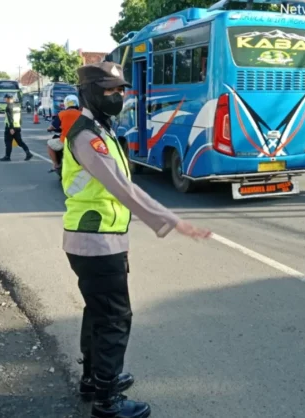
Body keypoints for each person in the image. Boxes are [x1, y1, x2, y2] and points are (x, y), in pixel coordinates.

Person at [63, 61, 211, 418]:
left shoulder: (102, 128)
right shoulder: (87, 136)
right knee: (115, 318)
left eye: (120, 90)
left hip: (96, 239)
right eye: (109, 90)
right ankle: (107, 401)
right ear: (89, 93)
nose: (117, 96)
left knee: (98, 312)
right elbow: (123, 188)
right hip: (96, 241)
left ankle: (94, 380)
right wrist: (172, 220)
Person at [46, 94, 81, 170]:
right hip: (80, 141)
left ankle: (56, 164)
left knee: (49, 144)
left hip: (64, 140)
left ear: (66, 104)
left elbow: (53, 126)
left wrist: (49, 129)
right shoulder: (82, 114)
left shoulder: (61, 114)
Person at [0, 94, 33, 162]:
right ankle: (28, 153)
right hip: (17, 126)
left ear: (8, 99)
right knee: (20, 142)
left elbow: (10, 117)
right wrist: (19, 125)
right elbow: (20, 117)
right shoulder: (17, 106)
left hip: (10, 127)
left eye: (5, 98)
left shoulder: (8, 106)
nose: (5, 100)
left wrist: (11, 128)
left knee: (8, 142)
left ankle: (7, 156)